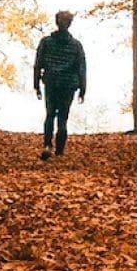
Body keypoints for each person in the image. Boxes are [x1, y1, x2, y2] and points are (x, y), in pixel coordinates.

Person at [34, 10, 86, 160]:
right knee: (63, 117)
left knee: (50, 114)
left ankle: (47, 145)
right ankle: (60, 151)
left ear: (57, 22)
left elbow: (38, 64)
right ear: (70, 24)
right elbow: (81, 68)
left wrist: (36, 84)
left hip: (51, 82)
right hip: (68, 84)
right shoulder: (76, 45)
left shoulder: (46, 42)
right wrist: (83, 89)